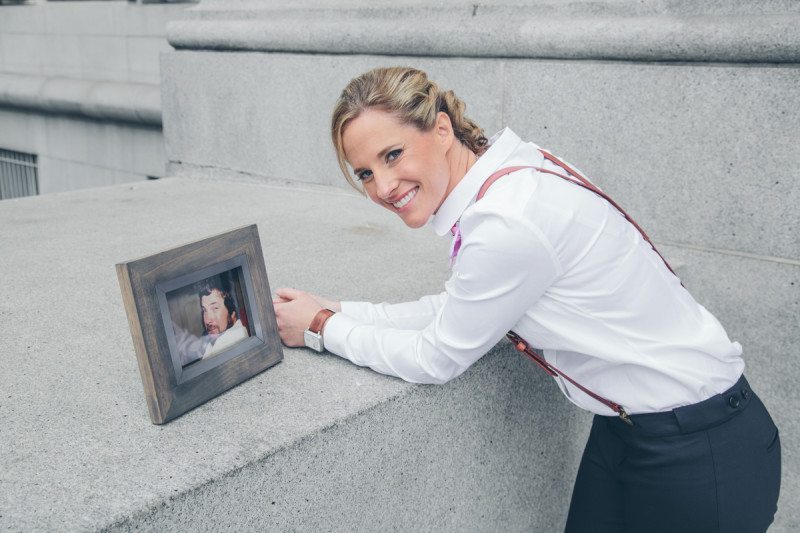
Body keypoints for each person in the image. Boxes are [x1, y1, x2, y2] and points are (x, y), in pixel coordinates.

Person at [272, 67, 781, 532]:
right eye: (364, 173)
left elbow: (437, 356)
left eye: (392, 154)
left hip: (699, 449)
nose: (382, 186)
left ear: (442, 130)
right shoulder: (508, 176)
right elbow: (460, 305)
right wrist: (341, 309)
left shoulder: (506, 222)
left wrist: (321, 328)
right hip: (628, 431)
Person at [175, 274, 249, 366]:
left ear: (232, 313)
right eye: (204, 310)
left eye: (215, 308)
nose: (208, 320)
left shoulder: (229, 339)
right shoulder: (212, 339)